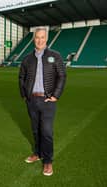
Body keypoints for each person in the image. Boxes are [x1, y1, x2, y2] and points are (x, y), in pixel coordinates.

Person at [19, 27, 66, 176]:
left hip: (47, 101)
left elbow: (62, 76)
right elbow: (21, 77)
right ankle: (37, 153)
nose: (39, 40)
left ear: (46, 39)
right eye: (37, 37)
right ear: (34, 39)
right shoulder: (27, 58)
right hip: (32, 100)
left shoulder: (55, 56)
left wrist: (55, 96)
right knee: (35, 130)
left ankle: (48, 161)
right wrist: (24, 95)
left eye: (42, 37)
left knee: (46, 131)